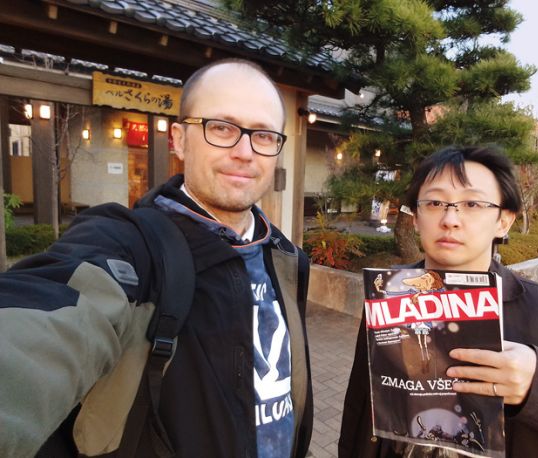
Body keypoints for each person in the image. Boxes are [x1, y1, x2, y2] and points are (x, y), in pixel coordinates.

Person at [0, 59, 312, 458]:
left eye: (264, 135)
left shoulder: (285, 256)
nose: (244, 151)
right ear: (179, 139)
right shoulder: (129, 246)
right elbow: (41, 326)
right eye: (221, 128)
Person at [339, 146, 538, 457]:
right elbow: (360, 408)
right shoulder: (388, 295)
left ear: (503, 221)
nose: (450, 219)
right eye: (435, 202)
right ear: (415, 217)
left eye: (472, 203)